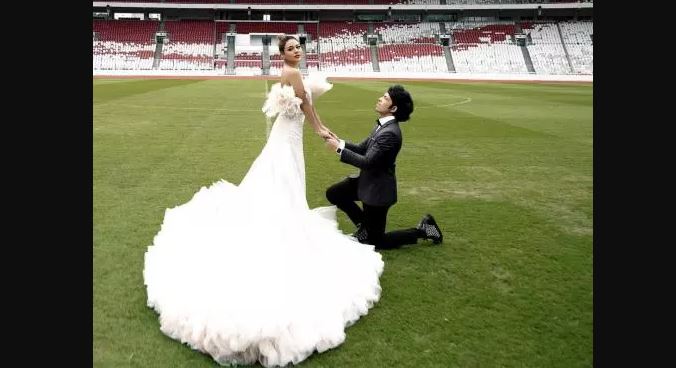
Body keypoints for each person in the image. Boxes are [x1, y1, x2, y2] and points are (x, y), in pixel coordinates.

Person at [143, 35, 384, 368]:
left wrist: (317, 121)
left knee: (280, 179)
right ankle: (281, 223)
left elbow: (301, 104)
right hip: (290, 136)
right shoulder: (294, 74)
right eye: (290, 48)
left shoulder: (289, 72)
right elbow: (306, 107)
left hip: (287, 134)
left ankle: (279, 215)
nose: (296, 50)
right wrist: (322, 131)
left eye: (298, 46)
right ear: (282, 54)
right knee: (285, 180)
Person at [324, 85, 444, 250]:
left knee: (376, 242)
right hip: (367, 182)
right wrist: (339, 142)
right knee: (334, 193)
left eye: (386, 98)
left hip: (378, 191)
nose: (380, 99)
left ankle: (423, 230)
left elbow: (368, 162)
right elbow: (361, 148)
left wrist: (338, 149)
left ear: (393, 108)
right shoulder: (382, 126)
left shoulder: (390, 133)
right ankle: (364, 227)